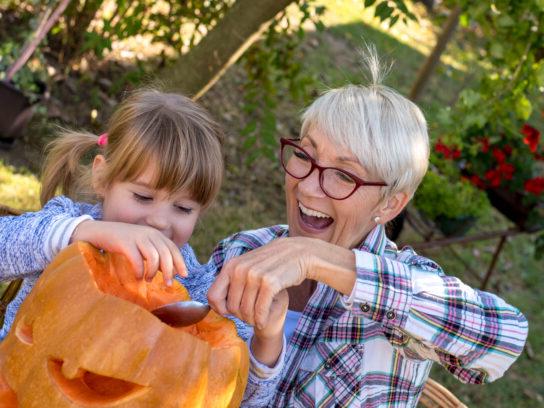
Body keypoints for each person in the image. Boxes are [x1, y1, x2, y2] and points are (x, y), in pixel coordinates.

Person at [206, 48, 529, 407]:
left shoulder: (404, 289)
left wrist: (318, 259)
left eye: (344, 175)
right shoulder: (242, 250)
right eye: (304, 155)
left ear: (390, 204)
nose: (308, 187)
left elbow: (506, 336)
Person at [0, 88, 287, 405]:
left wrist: (267, 340)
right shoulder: (68, 224)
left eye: (183, 209)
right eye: (143, 197)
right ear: (102, 177)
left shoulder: (195, 287)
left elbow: (234, 396)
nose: (160, 222)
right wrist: (87, 232)